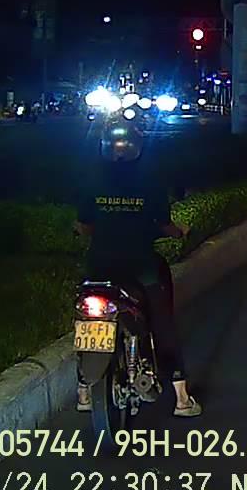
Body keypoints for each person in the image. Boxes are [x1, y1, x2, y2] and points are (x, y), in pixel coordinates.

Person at [75, 118, 200, 417]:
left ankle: (83, 391)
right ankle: (181, 397)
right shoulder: (150, 183)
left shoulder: (92, 181)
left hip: (100, 265)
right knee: (162, 321)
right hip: (141, 265)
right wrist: (180, 232)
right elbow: (165, 225)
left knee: (85, 318)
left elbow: (83, 225)